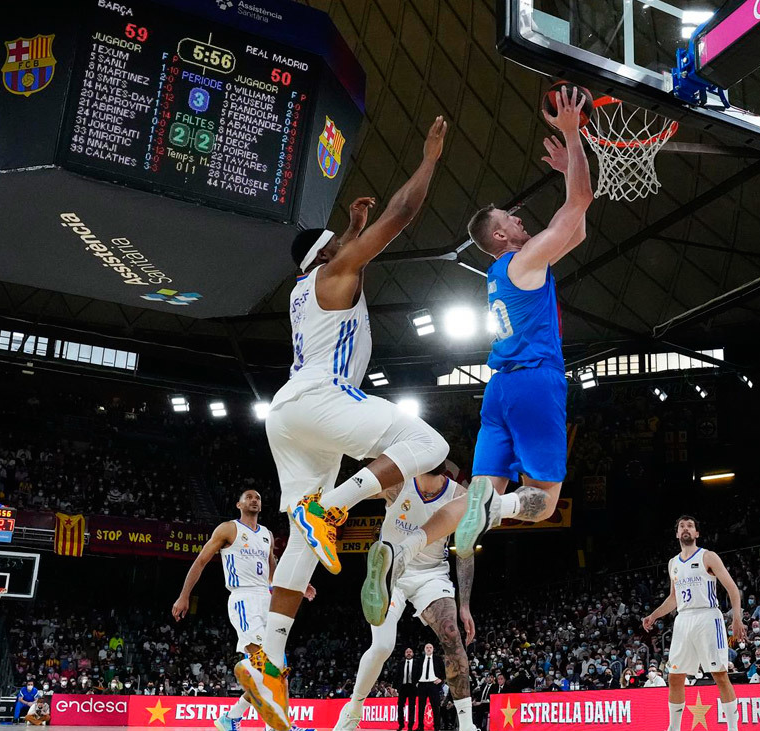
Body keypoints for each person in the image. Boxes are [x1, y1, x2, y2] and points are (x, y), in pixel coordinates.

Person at [240, 117, 452, 731]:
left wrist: (348, 232)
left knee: (302, 549)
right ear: (330, 256)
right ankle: (332, 507)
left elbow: (332, 259)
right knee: (427, 442)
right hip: (322, 396)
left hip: (289, 416)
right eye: (340, 242)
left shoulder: (306, 286)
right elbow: (404, 212)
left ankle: (265, 662)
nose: (348, 245)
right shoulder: (336, 272)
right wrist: (429, 157)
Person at [363, 89, 594, 627]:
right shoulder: (522, 260)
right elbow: (579, 205)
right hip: (536, 383)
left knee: (472, 498)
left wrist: (570, 171)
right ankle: (498, 509)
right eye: (510, 217)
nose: (518, 217)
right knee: (543, 501)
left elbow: (576, 224)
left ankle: (399, 550)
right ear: (499, 235)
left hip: (499, 392)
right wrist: (572, 134)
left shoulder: (498, 274)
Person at [333, 469, 476, 731]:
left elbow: (465, 551)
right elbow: (353, 491)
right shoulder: (398, 484)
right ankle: (353, 708)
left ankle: (467, 724)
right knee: (382, 646)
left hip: (431, 574)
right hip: (390, 571)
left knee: (451, 634)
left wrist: (464, 604)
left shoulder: (459, 495)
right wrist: (329, 502)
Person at [172, 489, 300, 731]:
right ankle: (278, 726)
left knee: (278, 668)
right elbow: (200, 561)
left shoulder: (267, 535)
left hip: (267, 600)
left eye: (258, 498)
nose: (254, 500)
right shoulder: (228, 529)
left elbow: (273, 572)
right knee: (265, 667)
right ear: (239, 504)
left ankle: (232, 717)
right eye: (249, 497)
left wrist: (298, 585)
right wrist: (184, 596)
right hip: (244, 599)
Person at [641, 516, 746, 731]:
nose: (686, 529)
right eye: (682, 526)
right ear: (677, 534)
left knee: (719, 674)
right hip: (683, 619)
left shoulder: (708, 556)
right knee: (675, 676)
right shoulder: (673, 563)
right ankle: (675, 727)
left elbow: (733, 588)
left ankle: (733, 727)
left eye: (690, 526)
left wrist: (737, 617)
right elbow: (673, 598)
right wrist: (654, 615)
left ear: (697, 533)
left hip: (707, 616)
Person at [413, 644, 444, 731]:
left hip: (433, 684)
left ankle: (437, 727)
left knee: (435, 707)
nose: (429, 649)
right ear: (424, 649)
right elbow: (415, 672)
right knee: (421, 707)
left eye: (430, 647)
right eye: (427, 648)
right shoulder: (420, 659)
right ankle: (420, 727)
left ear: (433, 649)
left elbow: (444, 671)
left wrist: (441, 679)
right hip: (422, 684)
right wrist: (416, 682)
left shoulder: (438, 659)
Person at [395, 648, 418, 731]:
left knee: (412, 707)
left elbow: (419, 674)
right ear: (405, 654)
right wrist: (395, 687)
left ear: (413, 653)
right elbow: (397, 676)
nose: (408, 653)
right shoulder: (400, 663)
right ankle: (401, 724)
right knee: (400, 706)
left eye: (410, 652)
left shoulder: (417, 663)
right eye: (407, 652)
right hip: (402, 687)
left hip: (412, 687)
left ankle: (410, 726)